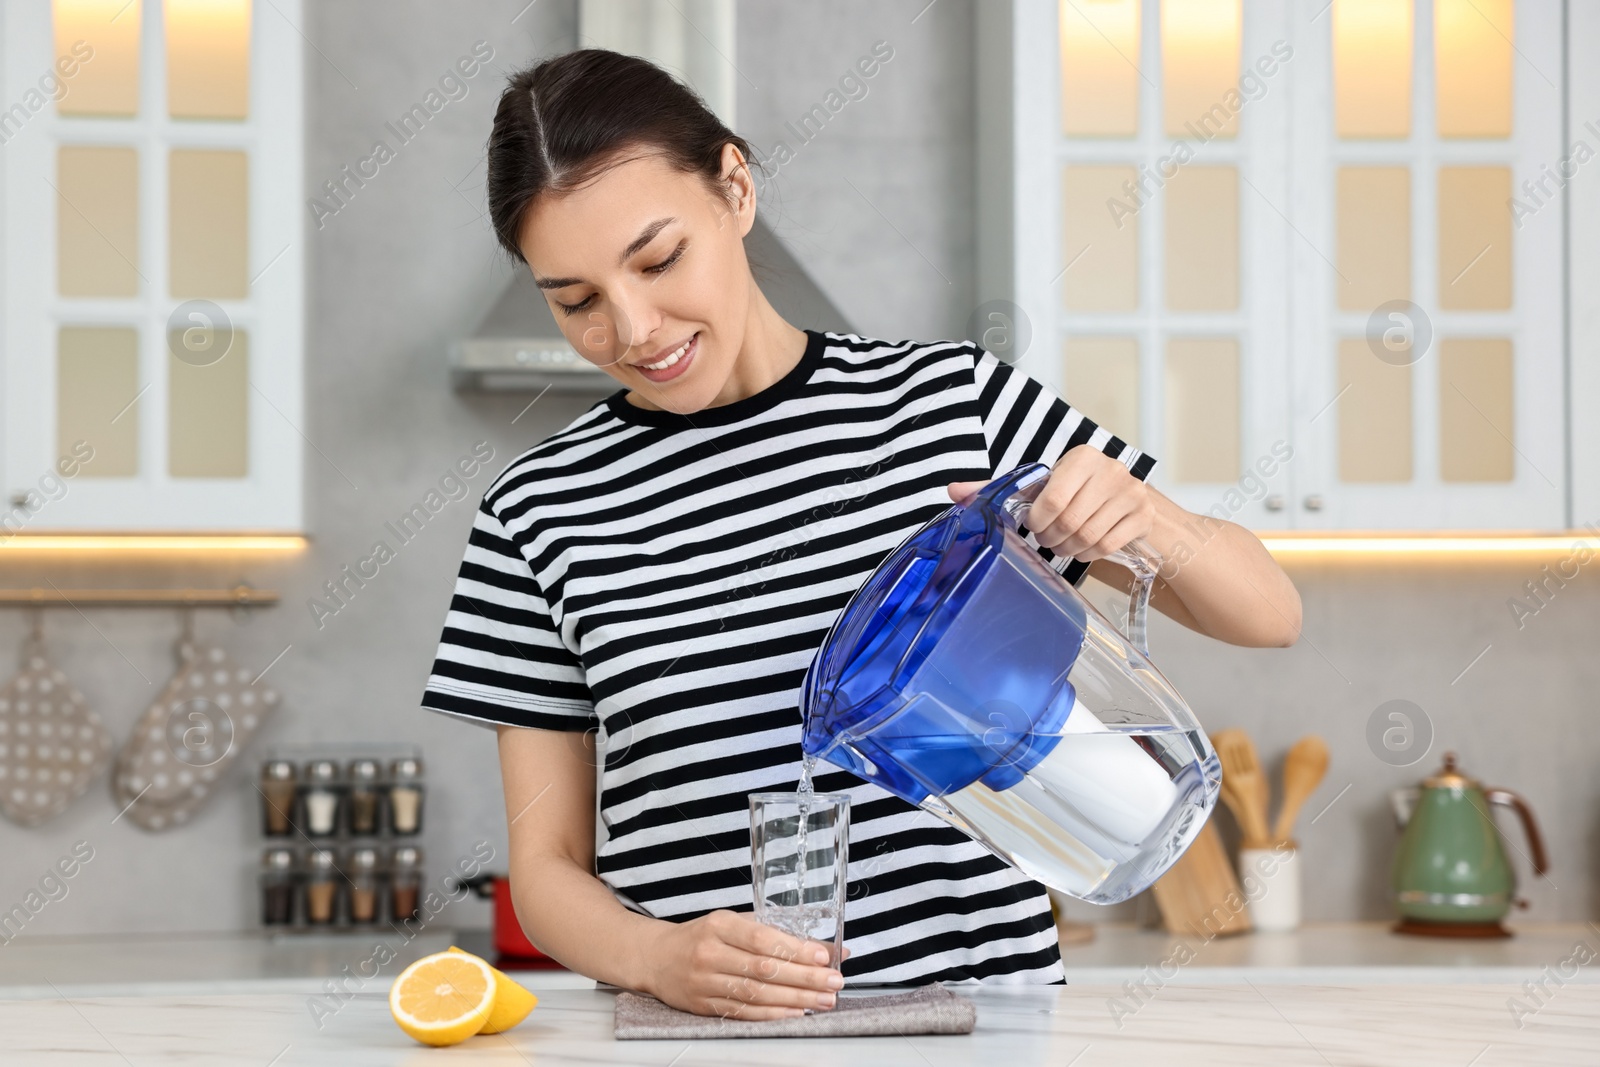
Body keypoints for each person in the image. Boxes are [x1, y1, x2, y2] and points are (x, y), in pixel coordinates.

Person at [421, 48, 1301, 1021]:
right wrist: (656, 953)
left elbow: (1269, 613)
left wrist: (1151, 520)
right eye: (574, 299)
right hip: (701, 1035)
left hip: (976, 1022)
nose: (631, 327)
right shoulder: (536, 505)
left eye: (658, 257)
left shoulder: (949, 403)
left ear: (736, 187)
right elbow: (544, 871)